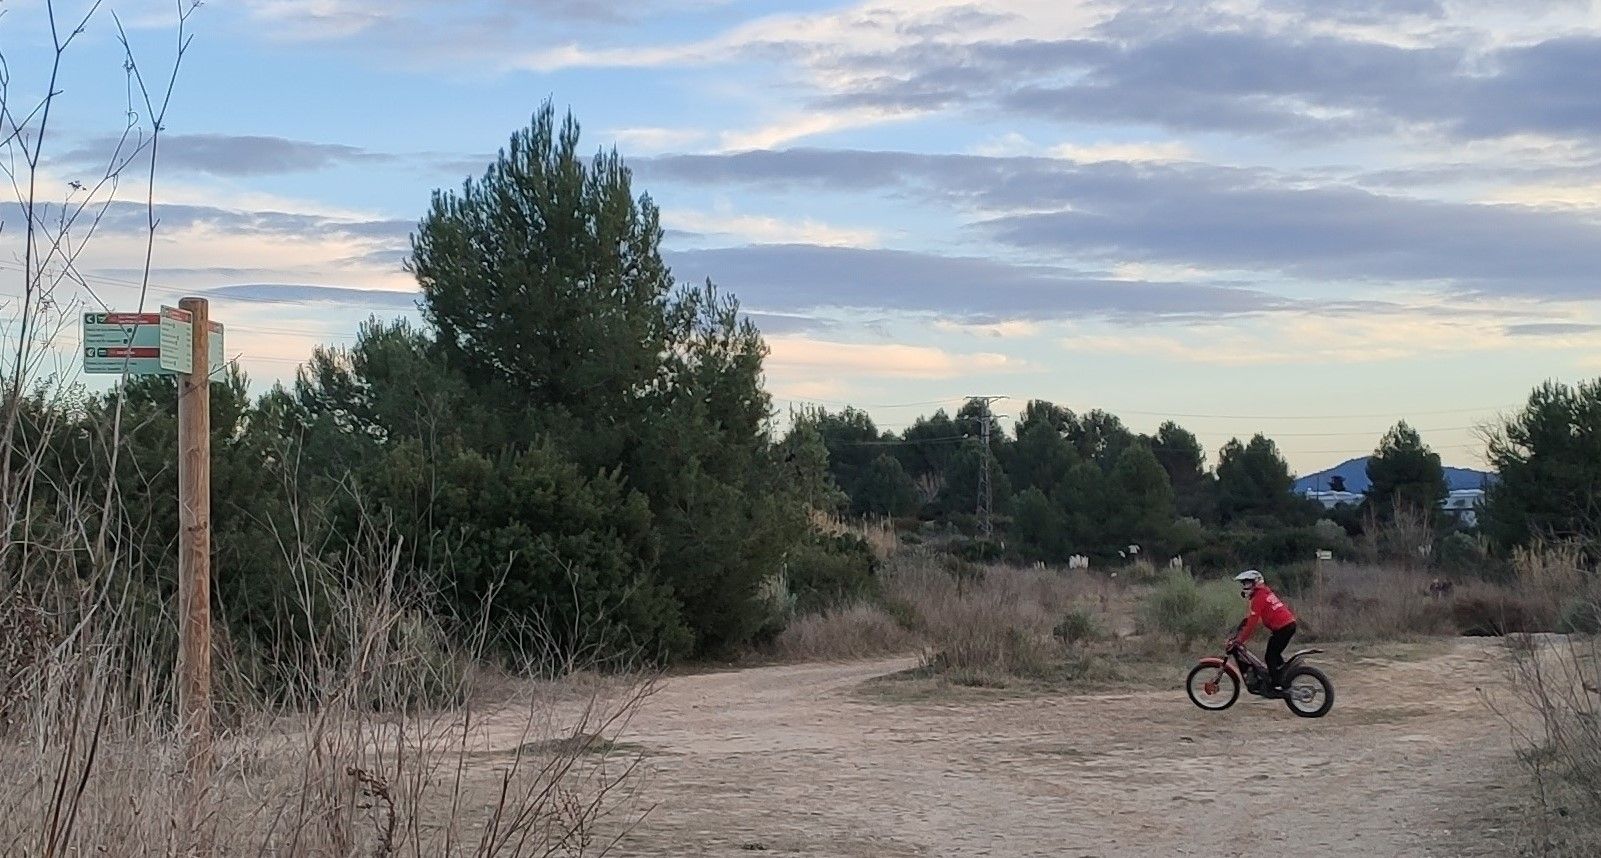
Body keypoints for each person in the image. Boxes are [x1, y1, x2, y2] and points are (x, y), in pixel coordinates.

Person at [1232, 569, 1297, 691]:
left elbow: (1252, 622)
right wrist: (1243, 626)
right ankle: (1283, 676)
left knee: (1270, 656)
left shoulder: (1259, 597)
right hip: (1287, 625)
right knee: (1275, 654)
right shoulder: (1264, 593)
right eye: (1244, 584)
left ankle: (1276, 685)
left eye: (1247, 583)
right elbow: (1252, 619)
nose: (1245, 586)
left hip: (1283, 628)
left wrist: (1241, 640)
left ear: (1255, 583)